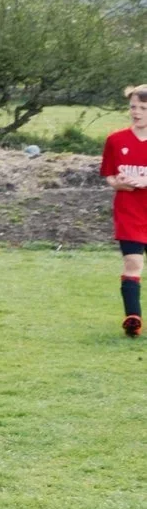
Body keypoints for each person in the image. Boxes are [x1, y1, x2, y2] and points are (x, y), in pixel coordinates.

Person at [100, 84, 147, 337]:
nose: (136, 112)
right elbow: (109, 175)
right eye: (133, 107)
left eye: (143, 107)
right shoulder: (115, 140)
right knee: (132, 262)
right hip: (129, 212)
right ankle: (133, 319)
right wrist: (118, 183)